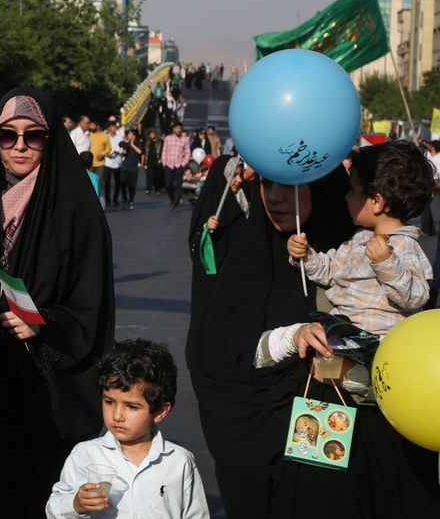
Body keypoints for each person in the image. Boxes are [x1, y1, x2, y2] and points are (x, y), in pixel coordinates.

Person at [186, 164, 440, 518]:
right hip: (300, 458)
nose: (274, 197)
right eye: (266, 183)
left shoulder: (364, 253)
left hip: (381, 447)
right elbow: (225, 357)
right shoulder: (251, 259)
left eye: (291, 186)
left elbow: (413, 340)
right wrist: (293, 338)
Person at [0, 87, 115, 516]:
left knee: (38, 490)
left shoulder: (78, 209)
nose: (19, 147)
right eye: (7, 136)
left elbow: (93, 303)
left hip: (42, 381)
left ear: (49, 140)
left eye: (33, 136)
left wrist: (44, 322)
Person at [46, 338, 208, 519]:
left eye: (132, 407)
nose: (117, 415)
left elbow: (197, 515)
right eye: (109, 402)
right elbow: (54, 510)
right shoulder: (86, 455)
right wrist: (76, 504)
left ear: (161, 411)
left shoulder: (179, 462)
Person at [287, 141, 434, 338]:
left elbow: (416, 298)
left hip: (380, 347)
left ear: (376, 202)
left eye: (353, 191)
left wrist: (387, 265)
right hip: (344, 336)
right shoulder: (360, 237)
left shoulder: (404, 245)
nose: (346, 197)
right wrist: (305, 255)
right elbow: (331, 269)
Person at [161, 122, 190, 212]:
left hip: (178, 165)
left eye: (179, 128)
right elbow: (164, 151)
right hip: (169, 164)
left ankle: (176, 204)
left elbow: (187, 153)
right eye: (176, 128)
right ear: (173, 129)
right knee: (168, 185)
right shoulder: (168, 138)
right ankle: (173, 199)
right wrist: (164, 163)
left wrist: (183, 163)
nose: (178, 130)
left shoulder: (185, 139)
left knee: (178, 186)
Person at [119, 128, 142, 210]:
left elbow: (139, 152)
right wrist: (123, 153)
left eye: (129, 134)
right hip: (125, 167)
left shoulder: (138, 144)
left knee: (132, 185)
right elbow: (121, 154)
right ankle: (124, 198)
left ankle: (131, 200)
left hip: (134, 168)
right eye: (128, 134)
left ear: (134, 136)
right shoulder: (125, 144)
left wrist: (132, 145)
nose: (128, 136)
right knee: (123, 183)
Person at [103, 120, 123, 207]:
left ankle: (115, 198)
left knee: (117, 182)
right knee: (107, 182)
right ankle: (107, 199)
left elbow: (122, 148)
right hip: (107, 162)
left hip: (117, 162)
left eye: (115, 127)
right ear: (109, 128)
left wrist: (117, 152)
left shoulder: (119, 138)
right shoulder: (105, 137)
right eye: (113, 126)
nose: (115, 128)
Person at [144, 129, 164, 194]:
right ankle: (148, 189)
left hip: (158, 161)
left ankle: (157, 189)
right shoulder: (147, 142)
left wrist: (162, 158)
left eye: (153, 133)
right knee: (149, 175)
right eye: (150, 134)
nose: (151, 135)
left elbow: (164, 151)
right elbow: (144, 152)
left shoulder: (160, 142)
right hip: (149, 161)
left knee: (157, 176)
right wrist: (143, 161)